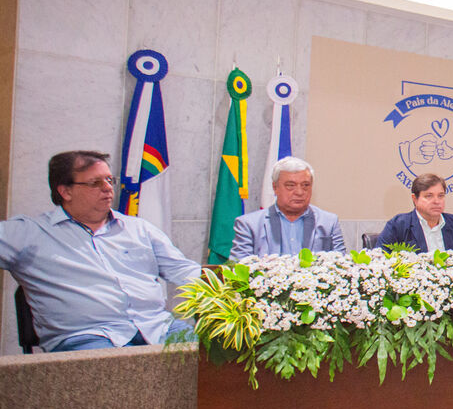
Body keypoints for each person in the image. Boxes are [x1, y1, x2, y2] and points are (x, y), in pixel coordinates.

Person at [0, 150, 199, 352]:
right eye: (95, 183)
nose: (107, 188)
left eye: (109, 180)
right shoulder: (32, 233)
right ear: (65, 191)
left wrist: (227, 289)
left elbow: (186, 272)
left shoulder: (139, 229)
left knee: (219, 358)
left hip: (159, 328)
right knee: (111, 376)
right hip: (87, 337)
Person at [231, 156, 346, 259]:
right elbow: (239, 269)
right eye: (290, 186)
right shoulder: (249, 224)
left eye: (305, 185)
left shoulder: (329, 222)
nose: (299, 192)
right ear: (275, 187)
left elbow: (341, 267)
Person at [378, 173, 453, 253]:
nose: (436, 201)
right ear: (415, 199)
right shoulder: (398, 225)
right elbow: (381, 261)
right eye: (429, 196)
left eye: (441, 196)